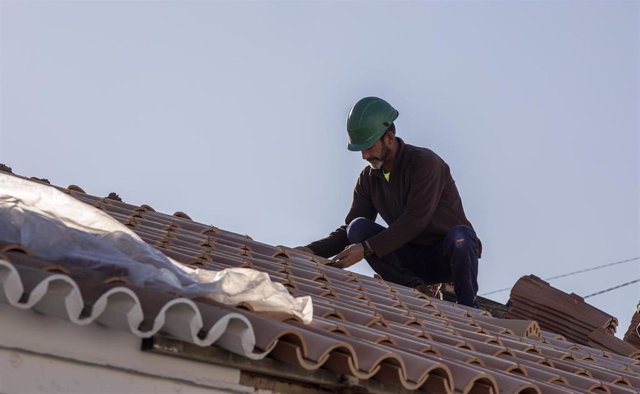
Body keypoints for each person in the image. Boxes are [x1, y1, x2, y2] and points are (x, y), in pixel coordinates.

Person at [296, 97, 481, 308]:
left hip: (445, 258)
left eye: (369, 147)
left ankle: (468, 308)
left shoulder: (425, 163)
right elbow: (350, 230)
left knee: (462, 237)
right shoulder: (368, 179)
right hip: (408, 260)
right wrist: (311, 251)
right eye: (361, 150)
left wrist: (366, 248)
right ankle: (413, 289)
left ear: (389, 138)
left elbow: (414, 220)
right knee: (357, 227)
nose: (365, 155)